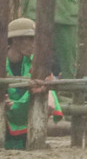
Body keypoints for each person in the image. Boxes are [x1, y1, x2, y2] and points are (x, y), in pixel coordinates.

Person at [4, 17, 60, 149]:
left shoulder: (36, 62)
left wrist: (46, 92)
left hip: (26, 112)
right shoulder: (2, 61)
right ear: (16, 40)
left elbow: (50, 96)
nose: (33, 44)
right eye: (29, 39)